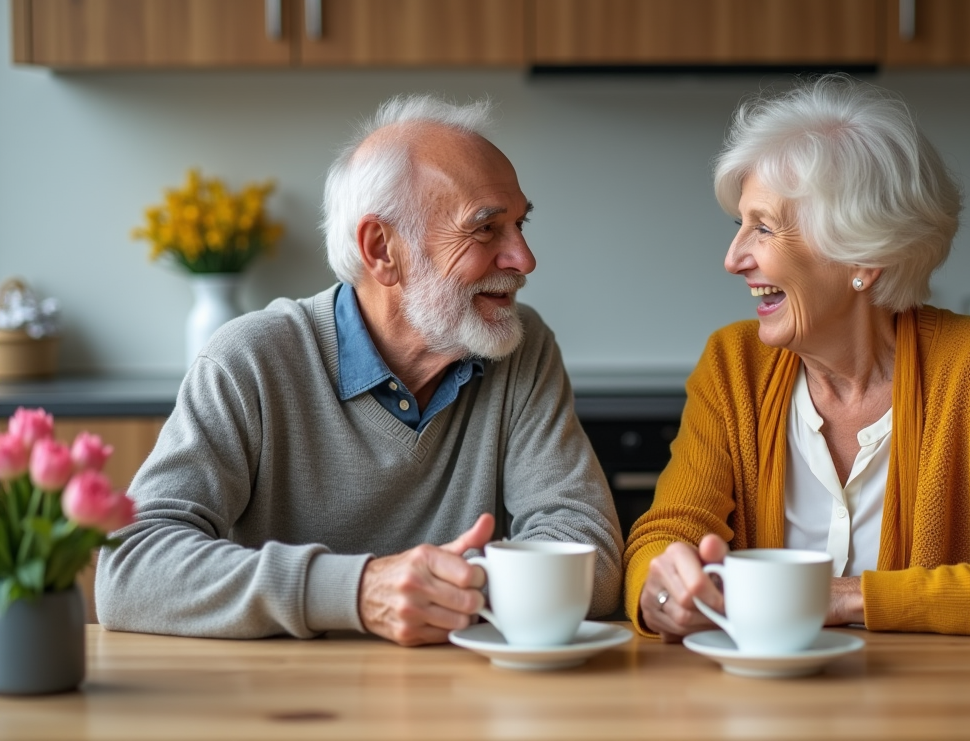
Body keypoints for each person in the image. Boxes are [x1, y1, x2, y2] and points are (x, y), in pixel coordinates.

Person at [97, 95, 623, 646]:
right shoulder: (248, 360)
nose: (524, 257)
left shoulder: (522, 348)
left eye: (520, 223)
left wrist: (434, 594)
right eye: (486, 229)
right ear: (382, 250)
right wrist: (359, 590)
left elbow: (593, 558)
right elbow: (130, 569)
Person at [625, 75, 970, 641]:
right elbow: (664, 537)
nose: (733, 258)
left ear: (863, 256)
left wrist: (845, 598)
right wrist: (661, 591)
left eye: (763, 228)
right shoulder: (732, 367)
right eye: (738, 225)